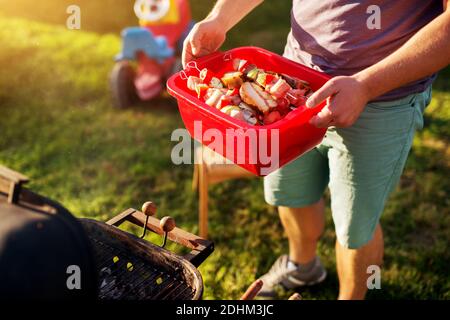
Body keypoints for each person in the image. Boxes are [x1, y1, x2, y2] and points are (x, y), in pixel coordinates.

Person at [182, 0, 450, 299]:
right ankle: (303, 266)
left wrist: (365, 85)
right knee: (290, 191)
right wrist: (219, 18)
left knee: (356, 225)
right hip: (293, 79)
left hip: (382, 100)